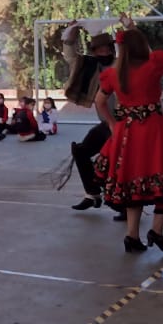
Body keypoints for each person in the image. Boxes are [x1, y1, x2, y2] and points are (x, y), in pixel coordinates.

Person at [94, 6, 163, 254]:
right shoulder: (154, 64)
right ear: (142, 46)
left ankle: (132, 236)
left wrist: (112, 124)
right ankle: (156, 232)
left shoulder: (113, 74)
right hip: (153, 132)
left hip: (126, 134)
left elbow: (99, 102)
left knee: (133, 184)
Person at [66, 30, 118, 213]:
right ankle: (92, 194)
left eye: (106, 50)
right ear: (94, 52)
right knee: (81, 151)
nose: (103, 53)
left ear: (112, 49)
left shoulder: (120, 65)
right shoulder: (90, 66)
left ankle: (126, 206)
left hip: (124, 123)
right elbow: (71, 58)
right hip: (106, 124)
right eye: (99, 50)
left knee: (116, 163)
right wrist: (71, 36)